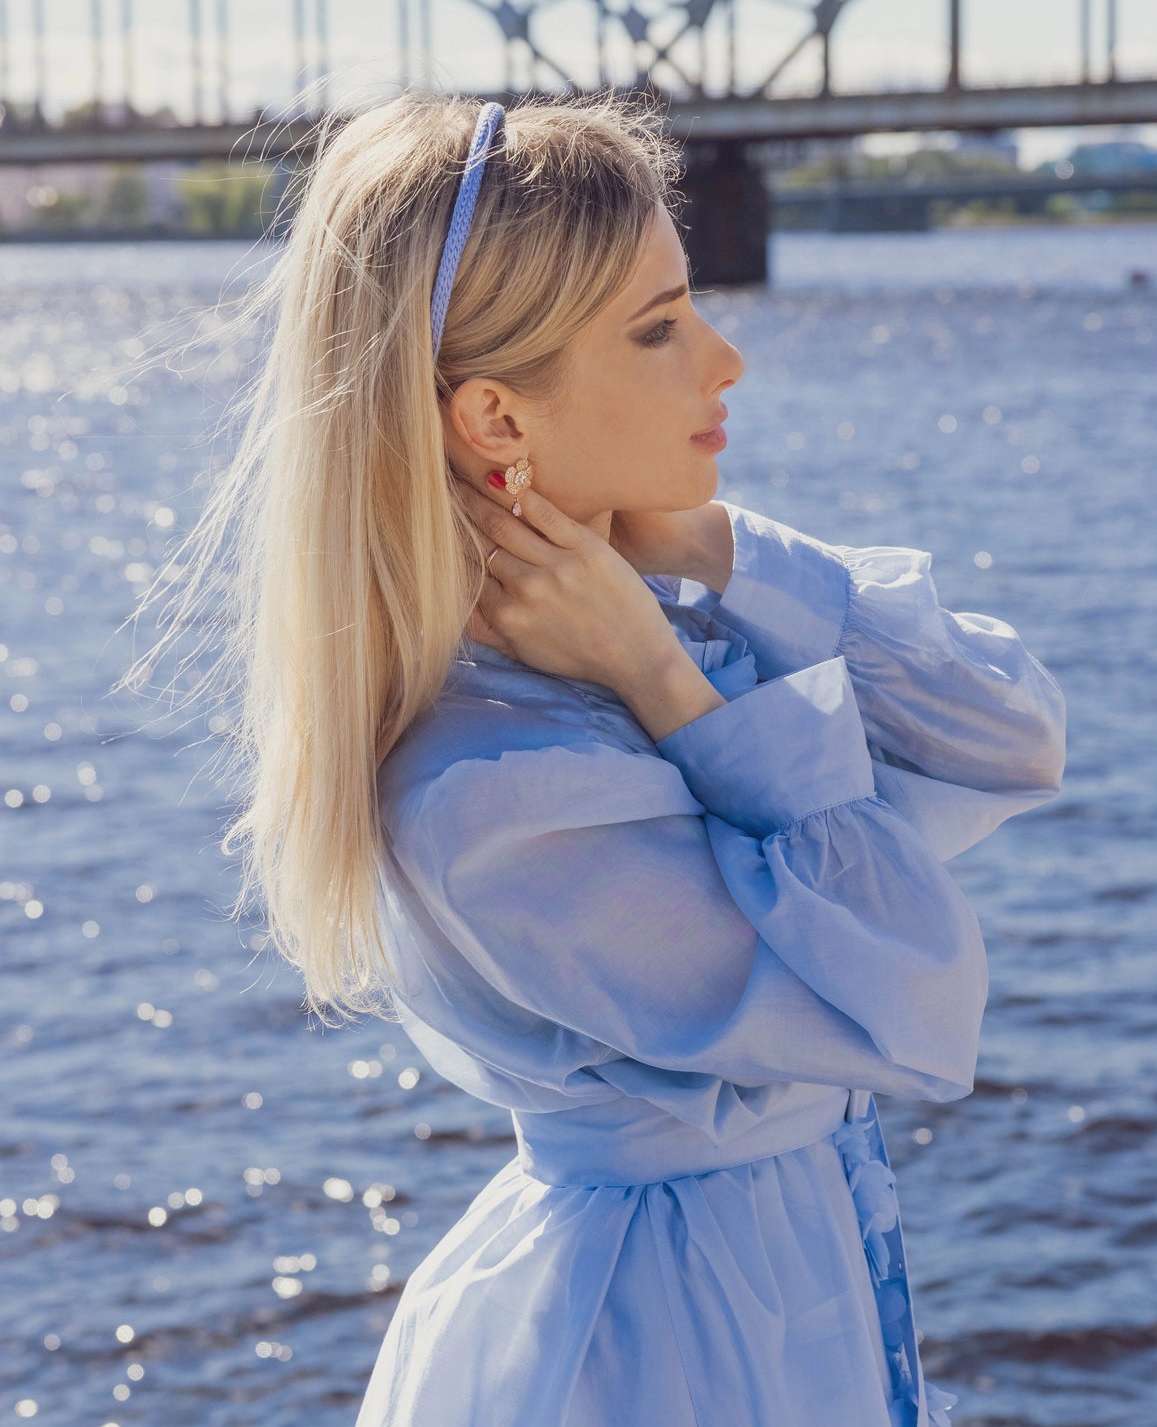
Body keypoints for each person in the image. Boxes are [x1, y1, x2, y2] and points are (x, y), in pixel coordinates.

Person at [127, 88, 1066, 1426]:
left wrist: (710, 548)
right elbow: (914, 1006)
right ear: (497, 421)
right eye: (660, 327)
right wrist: (674, 693)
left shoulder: (651, 615)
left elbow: (1015, 733)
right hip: (656, 1343)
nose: (725, 359)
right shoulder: (500, 789)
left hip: (758, 1287)